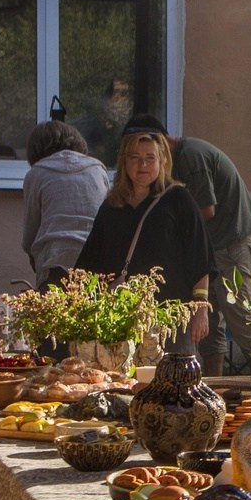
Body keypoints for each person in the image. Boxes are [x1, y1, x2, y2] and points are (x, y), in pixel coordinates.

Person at [122, 114, 251, 377]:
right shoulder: (170, 165)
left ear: (163, 143)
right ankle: (213, 388)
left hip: (233, 244)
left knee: (240, 316)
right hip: (211, 250)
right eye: (133, 155)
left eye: (149, 152)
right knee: (208, 325)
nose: (143, 160)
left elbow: (205, 210)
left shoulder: (190, 155)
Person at [75, 129, 213, 355]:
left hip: (170, 318)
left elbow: (200, 257)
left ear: (162, 161)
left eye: (150, 158)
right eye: (135, 158)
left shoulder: (178, 200)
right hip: (121, 318)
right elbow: (90, 264)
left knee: (175, 382)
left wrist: (201, 310)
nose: (143, 165)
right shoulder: (112, 207)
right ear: (124, 162)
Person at [20, 120, 109, 292]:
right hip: (97, 260)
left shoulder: (37, 173)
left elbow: (30, 231)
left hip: (55, 260)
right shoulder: (98, 170)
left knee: (52, 317)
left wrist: (34, 257)